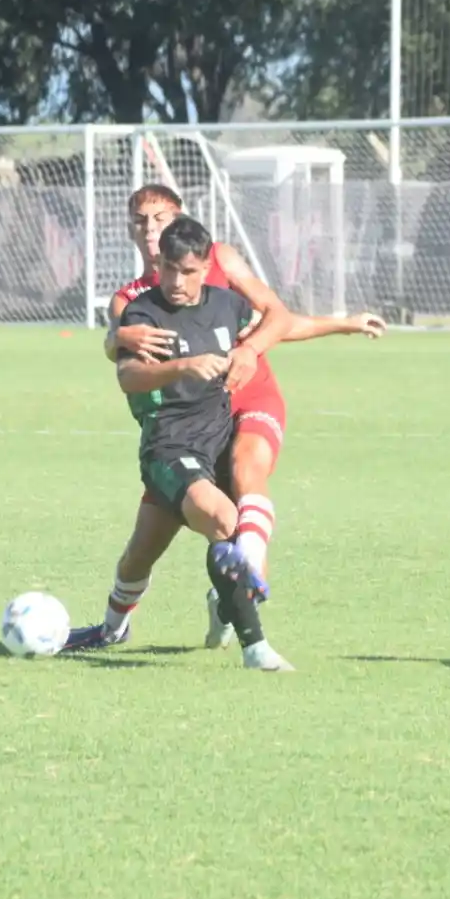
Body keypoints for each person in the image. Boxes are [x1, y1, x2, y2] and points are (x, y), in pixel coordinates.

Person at [66, 184, 384, 652]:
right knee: (142, 549)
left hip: (248, 397)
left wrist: (327, 328)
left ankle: (240, 603)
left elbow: (276, 317)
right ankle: (122, 625)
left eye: (161, 218)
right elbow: (124, 358)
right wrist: (116, 340)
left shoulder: (220, 262)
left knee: (245, 475)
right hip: (182, 430)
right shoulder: (133, 301)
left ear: (180, 219)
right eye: (141, 221)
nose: (151, 229)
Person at [108, 215, 293, 671]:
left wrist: (251, 348)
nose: (176, 282)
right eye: (169, 269)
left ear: (206, 267)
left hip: (217, 443)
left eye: (188, 272)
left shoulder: (226, 306)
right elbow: (128, 376)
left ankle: (121, 626)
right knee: (226, 522)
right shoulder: (143, 314)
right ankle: (256, 649)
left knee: (139, 556)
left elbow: (281, 321)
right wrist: (182, 366)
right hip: (170, 448)